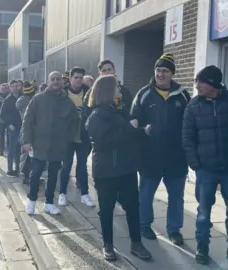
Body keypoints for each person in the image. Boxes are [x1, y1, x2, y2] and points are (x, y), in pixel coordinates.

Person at [182, 65, 228, 264]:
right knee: (203, 213)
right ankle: (202, 248)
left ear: (213, 84)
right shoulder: (193, 105)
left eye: (201, 82)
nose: (197, 86)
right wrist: (195, 164)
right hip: (206, 170)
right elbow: (187, 136)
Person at [86, 75, 152, 262]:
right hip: (106, 172)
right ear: (107, 91)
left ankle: (136, 243)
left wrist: (141, 132)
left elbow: (126, 136)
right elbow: (104, 143)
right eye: (116, 87)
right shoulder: (96, 116)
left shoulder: (119, 111)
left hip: (126, 169)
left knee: (133, 207)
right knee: (106, 209)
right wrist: (130, 129)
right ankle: (108, 245)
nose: (119, 90)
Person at [131, 53, 191, 246]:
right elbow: (132, 123)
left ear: (172, 73)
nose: (160, 74)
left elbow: (190, 124)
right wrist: (143, 131)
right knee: (146, 194)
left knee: (176, 197)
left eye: (165, 71)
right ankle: (143, 224)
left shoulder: (183, 95)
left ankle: (174, 230)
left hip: (176, 156)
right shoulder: (143, 94)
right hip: (150, 156)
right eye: (158, 70)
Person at [21, 71, 79, 215]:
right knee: (35, 175)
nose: (56, 81)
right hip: (39, 143)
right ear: (48, 82)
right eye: (53, 79)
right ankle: (32, 201)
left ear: (62, 82)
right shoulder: (37, 99)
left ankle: (49, 203)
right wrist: (26, 141)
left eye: (58, 79)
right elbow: (27, 121)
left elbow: (75, 123)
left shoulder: (67, 102)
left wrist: (69, 139)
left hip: (58, 145)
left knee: (53, 175)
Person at [58, 66, 95, 207]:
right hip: (67, 137)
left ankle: (85, 194)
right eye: (76, 77)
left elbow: (93, 111)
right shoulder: (63, 93)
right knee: (66, 166)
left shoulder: (89, 92)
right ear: (70, 78)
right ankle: (62, 193)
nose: (79, 80)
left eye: (81, 77)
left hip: (83, 136)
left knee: (82, 166)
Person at [0, 80, 23, 176]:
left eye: (16, 86)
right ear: (9, 88)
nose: (14, 88)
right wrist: (9, 124)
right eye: (12, 86)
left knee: (19, 150)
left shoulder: (22, 96)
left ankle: (18, 168)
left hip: (22, 127)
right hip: (13, 128)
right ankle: (10, 169)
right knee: (12, 149)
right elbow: (2, 114)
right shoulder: (8, 99)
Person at [16, 81, 36, 183]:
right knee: (28, 155)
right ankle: (27, 177)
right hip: (30, 129)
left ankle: (26, 176)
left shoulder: (20, 100)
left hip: (24, 128)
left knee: (26, 154)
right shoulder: (33, 100)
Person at [0, 83, 10, 156]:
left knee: (8, 135)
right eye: (2, 89)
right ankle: (1, 150)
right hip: (0, 118)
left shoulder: (9, 95)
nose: (3, 90)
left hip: (8, 118)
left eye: (5, 88)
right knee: (1, 135)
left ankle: (8, 149)